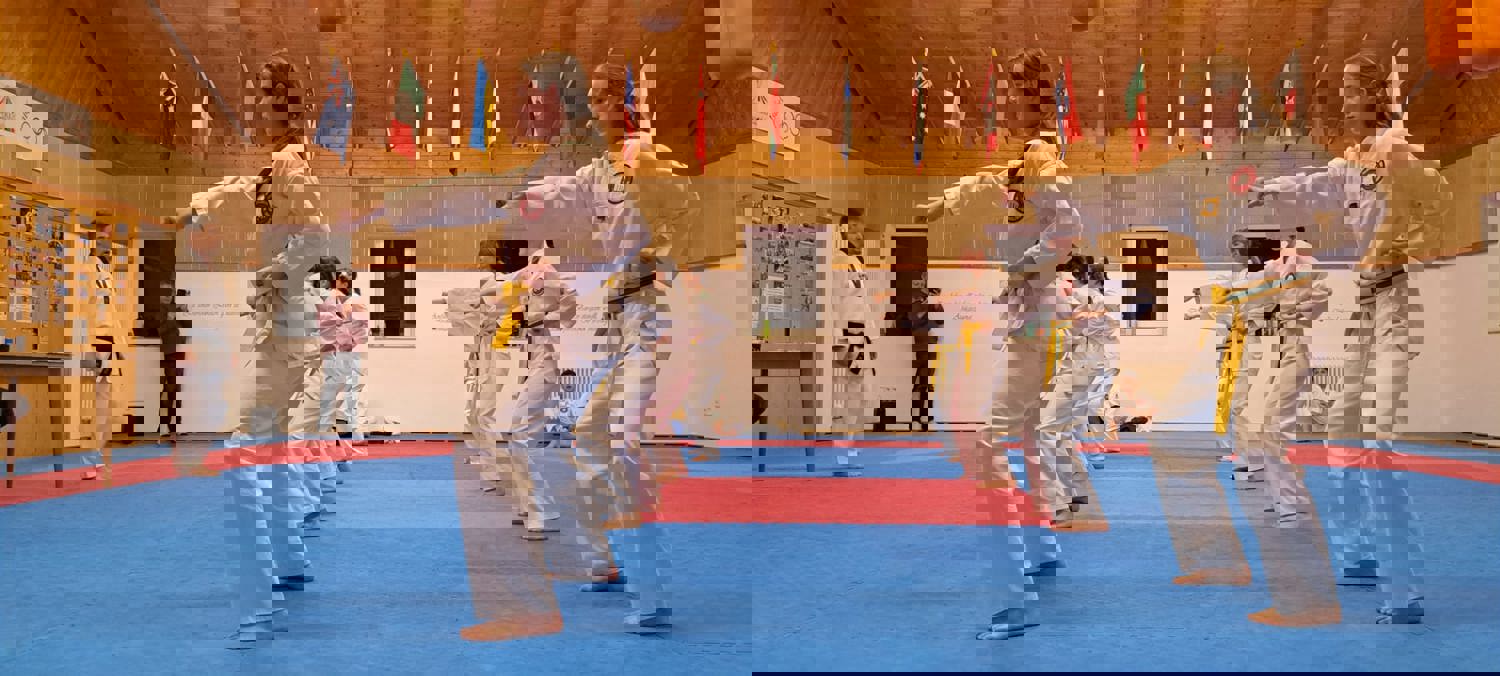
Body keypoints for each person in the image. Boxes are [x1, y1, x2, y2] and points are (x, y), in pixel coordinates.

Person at [1250, 49, 1443, 625]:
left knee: (1379, 441)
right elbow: (1314, 185)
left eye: (1359, 90)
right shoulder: (1350, 163)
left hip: (1394, 298)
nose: (1350, 102)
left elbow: (1435, 201)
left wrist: (1398, 247)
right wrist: (1270, 189)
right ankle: (1358, 551)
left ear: (1379, 96)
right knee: (1342, 431)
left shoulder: (1398, 150)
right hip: (1364, 299)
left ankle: (1404, 590)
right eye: (1345, 92)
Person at [504, 60, 692, 634]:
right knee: (588, 440)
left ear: (629, 101)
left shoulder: (648, 157)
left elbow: (688, 214)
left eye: (608, 96)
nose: (598, 106)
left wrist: (658, 263)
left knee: (624, 447)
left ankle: (651, 594)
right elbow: (562, 192)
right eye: (594, 97)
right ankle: (603, 561)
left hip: (645, 317)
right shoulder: (600, 169)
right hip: (612, 319)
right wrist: (523, 195)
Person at [918, 48, 1084, 640]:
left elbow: (1068, 229)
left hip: (1034, 320)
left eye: (1018, 93)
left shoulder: (1047, 171)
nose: (1008, 105)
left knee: (989, 440)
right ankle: (1043, 547)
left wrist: (1026, 265)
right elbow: (988, 178)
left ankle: (1011, 598)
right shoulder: (1024, 170)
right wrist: (949, 199)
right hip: (1030, 317)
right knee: (1030, 437)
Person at [179, 52, 331, 648]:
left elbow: (316, 236)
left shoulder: (291, 165)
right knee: (273, 445)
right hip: (281, 321)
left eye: (268, 100)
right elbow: (246, 187)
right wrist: (202, 202)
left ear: (284, 109)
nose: (260, 112)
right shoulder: (277, 166)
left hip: (282, 324)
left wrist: (276, 274)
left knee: (245, 447)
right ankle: (288, 556)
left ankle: (257, 589)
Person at [1185, 228, 1340, 626]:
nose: (1243, 255)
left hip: (1287, 352)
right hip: (1257, 353)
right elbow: (1233, 298)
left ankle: (1291, 506)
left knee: (1275, 430)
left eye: (1249, 249)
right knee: (1250, 422)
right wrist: (1208, 302)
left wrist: (1291, 264)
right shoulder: (1250, 279)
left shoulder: (1295, 270)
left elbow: (1310, 295)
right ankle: (1276, 494)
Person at [486, 240, 578, 539]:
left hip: (547, 365)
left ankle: (540, 510)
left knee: (522, 436)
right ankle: (533, 505)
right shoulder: (530, 277)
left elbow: (566, 309)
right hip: (534, 364)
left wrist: (533, 316)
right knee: (517, 436)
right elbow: (499, 292)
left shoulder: (548, 275)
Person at [828, 217, 880, 477]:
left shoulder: (857, 263)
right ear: (842, 231)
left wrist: (872, 337)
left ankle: (851, 452)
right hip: (845, 336)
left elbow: (863, 304)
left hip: (861, 336)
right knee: (845, 398)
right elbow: (832, 304)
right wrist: (838, 339)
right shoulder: (835, 262)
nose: (859, 236)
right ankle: (842, 457)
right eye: (854, 231)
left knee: (859, 398)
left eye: (862, 232)